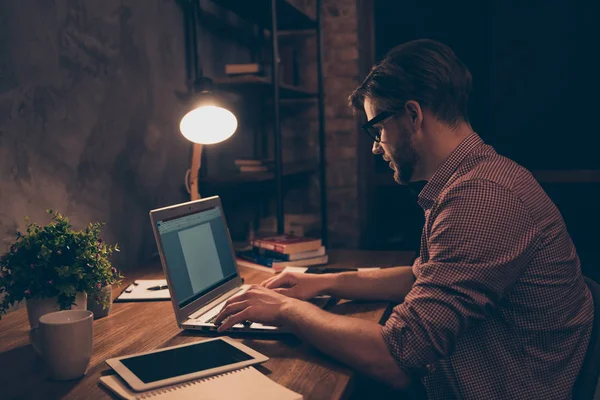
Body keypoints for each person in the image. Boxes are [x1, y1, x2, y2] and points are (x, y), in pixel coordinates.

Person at [215, 39, 594, 399]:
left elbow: (397, 358)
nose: (376, 146)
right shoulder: (476, 178)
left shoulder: (481, 198)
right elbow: (426, 275)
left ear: (413, 115)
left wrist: (287, 310)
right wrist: (322, 283)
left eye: (377, 128)